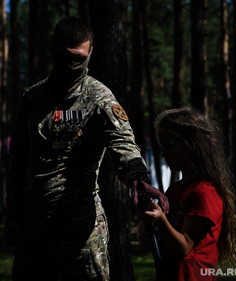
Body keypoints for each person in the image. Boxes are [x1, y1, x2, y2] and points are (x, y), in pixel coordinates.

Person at [4, 16, 167, 281]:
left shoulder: (99, 99)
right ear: (53, 49)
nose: (71, 66)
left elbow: (123, 144)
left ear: (90, 53)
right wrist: (12, 216)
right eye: (65, 57)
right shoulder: (32, 99)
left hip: (80, 235)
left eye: (78, 59)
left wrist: (138, 180)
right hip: (34, 233)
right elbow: (18, 162)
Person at [137, 107, 236, 281]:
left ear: (192, 146)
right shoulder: (174, 190)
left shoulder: (204, 193)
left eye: (170, 147)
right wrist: (145, 227)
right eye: (162, 147)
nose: (163, 154)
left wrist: (160, 219)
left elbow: (184, 247)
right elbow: (168, 234)